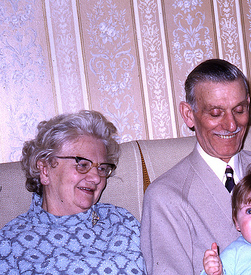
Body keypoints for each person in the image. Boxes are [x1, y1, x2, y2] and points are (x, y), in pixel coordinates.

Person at [140, 59, 251, 274]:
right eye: (216, 113)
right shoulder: (165, 196)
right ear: (189, 115)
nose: (231, 125)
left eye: (239, 110)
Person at [0, 110, 146, 274]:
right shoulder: (9, 243)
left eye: (102, 168)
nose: (96, 178)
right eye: (83, 165)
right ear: (45, 170)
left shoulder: (122, 222)